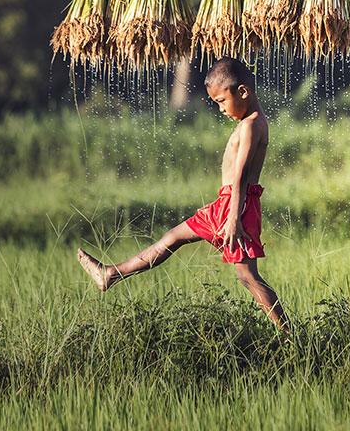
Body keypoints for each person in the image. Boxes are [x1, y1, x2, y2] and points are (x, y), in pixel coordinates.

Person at [76, 57, 288, 330]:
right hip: (232, 204)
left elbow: (240, 178)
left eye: (222, 101)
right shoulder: (252, 121)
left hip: (235, 206)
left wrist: (233, 218)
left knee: (247, 276)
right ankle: (111, 274)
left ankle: (288, 335)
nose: (221, 109)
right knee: (182, 242)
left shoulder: (251, 126)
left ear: (243, 92)